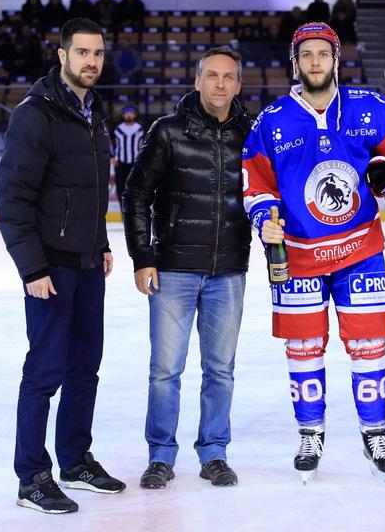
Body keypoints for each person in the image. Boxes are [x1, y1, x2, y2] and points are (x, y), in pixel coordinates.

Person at [242, 22, 385, 483]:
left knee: (368, 344)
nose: (315, 62)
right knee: (303, 346)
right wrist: (264, 217)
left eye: (323, 54)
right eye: (306, 55)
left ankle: (375, 434)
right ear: (295, 63)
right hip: (298, 253)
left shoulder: (372, 107)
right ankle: (311, 433)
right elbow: (256, 184)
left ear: (336, 59)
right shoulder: (270, 121)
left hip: (360, 247)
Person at [0, 18, 125, 514]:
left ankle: (74, 460)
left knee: (85, 368)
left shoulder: (93, 112)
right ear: (62, 55)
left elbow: (89, 192)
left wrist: (102, 241)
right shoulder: (36, 114)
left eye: (98, 53)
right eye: (83, 52)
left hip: (88, 264)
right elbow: (13, 201)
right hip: (50, 268)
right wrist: (32, 269)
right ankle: (31, 477)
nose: (92, 61)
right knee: (45, 371)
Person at [122, 46, 252, 489]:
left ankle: (214, 453)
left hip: (228, 271)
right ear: (197, 82)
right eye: (212, 75)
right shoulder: (167, 131)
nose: (220, 84)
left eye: (228, 77)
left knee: (220, 371)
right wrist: (143, 257)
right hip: (174, 269)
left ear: (238, 84)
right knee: (165, 371)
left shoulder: (251, 134)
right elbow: (136, 195)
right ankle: (161, 456)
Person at [111, 105, 143, 217]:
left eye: (131, 112)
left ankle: (134, 214)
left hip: (135, 164)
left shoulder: (140, 128)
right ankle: (124, 214)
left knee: (135, 190)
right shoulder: (117, 129)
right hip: (120, 164)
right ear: (123, 115)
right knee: (121, 189)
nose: (129, 115)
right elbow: (110, 144)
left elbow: (145, 145)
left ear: (134, 115)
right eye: (127, 113)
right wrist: (111, 156)